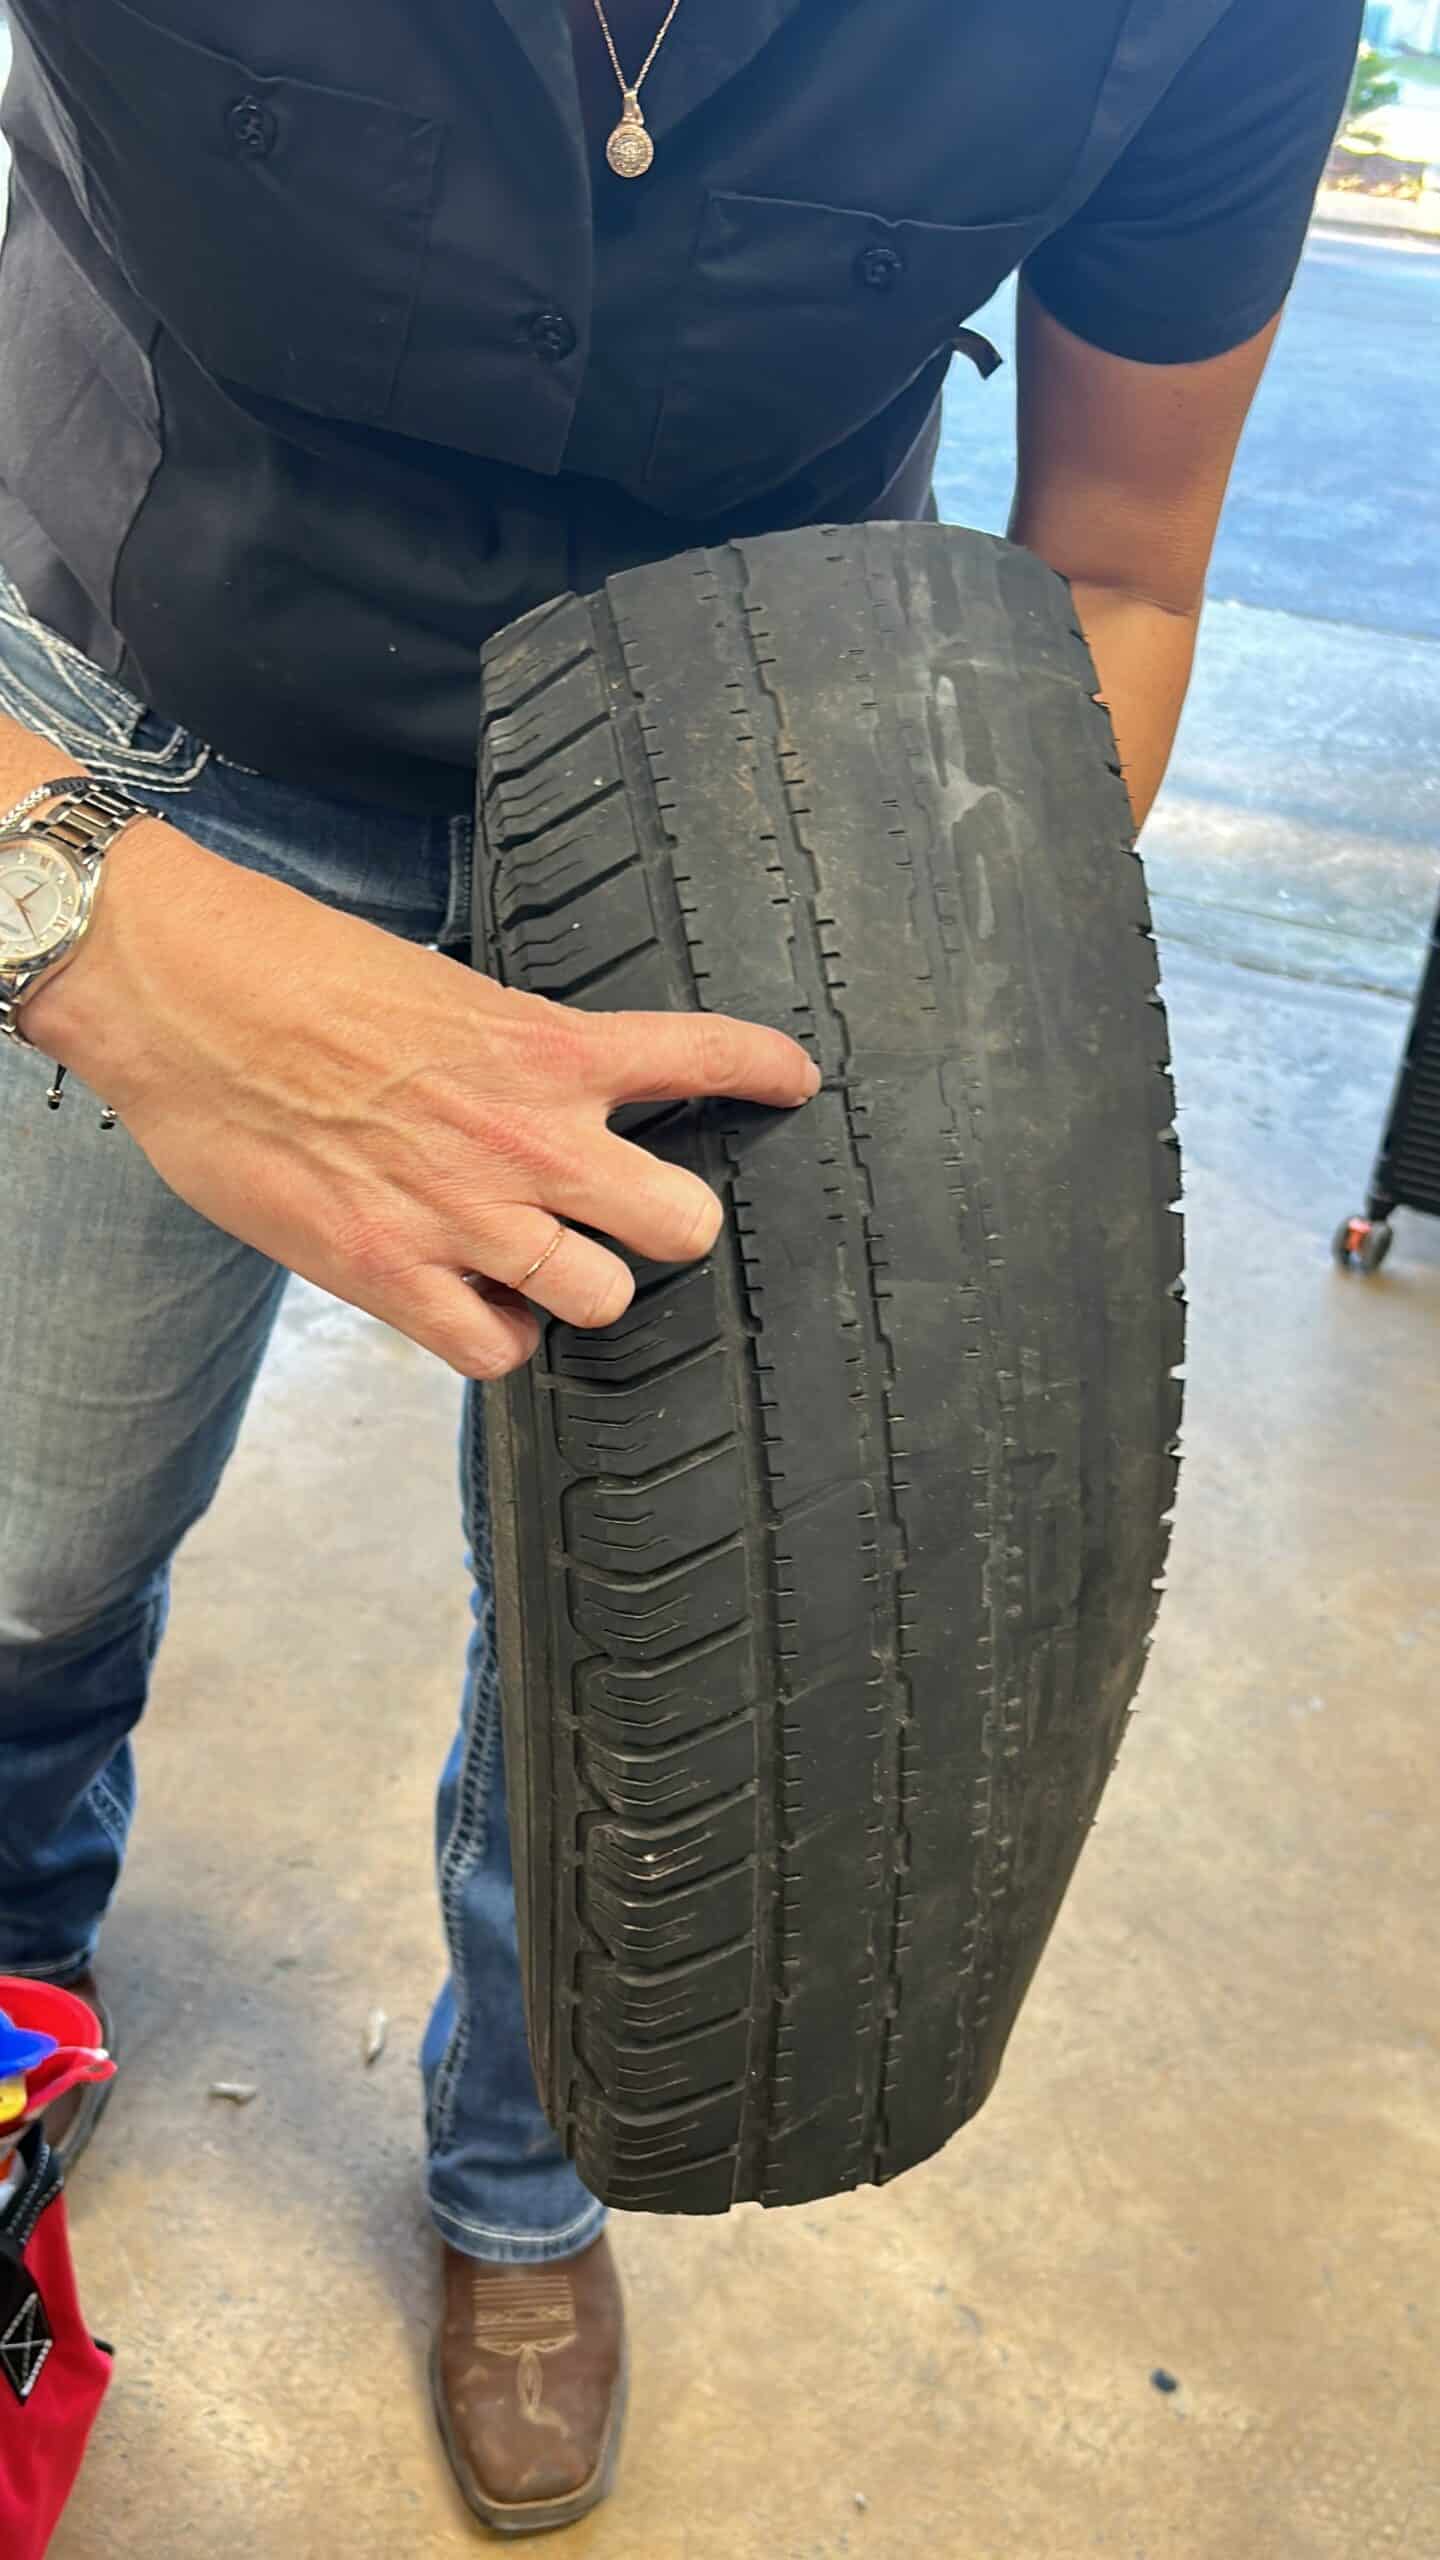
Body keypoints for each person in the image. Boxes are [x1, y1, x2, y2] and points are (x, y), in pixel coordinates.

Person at [0, 0, 1361, 2536]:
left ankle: (528, 2175)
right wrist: (81, 921)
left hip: (767, 794)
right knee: (28, 1525)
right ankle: (12, 1990)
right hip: (122, 713)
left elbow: (1123, 565)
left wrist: (945, 996)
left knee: (681, 1605)